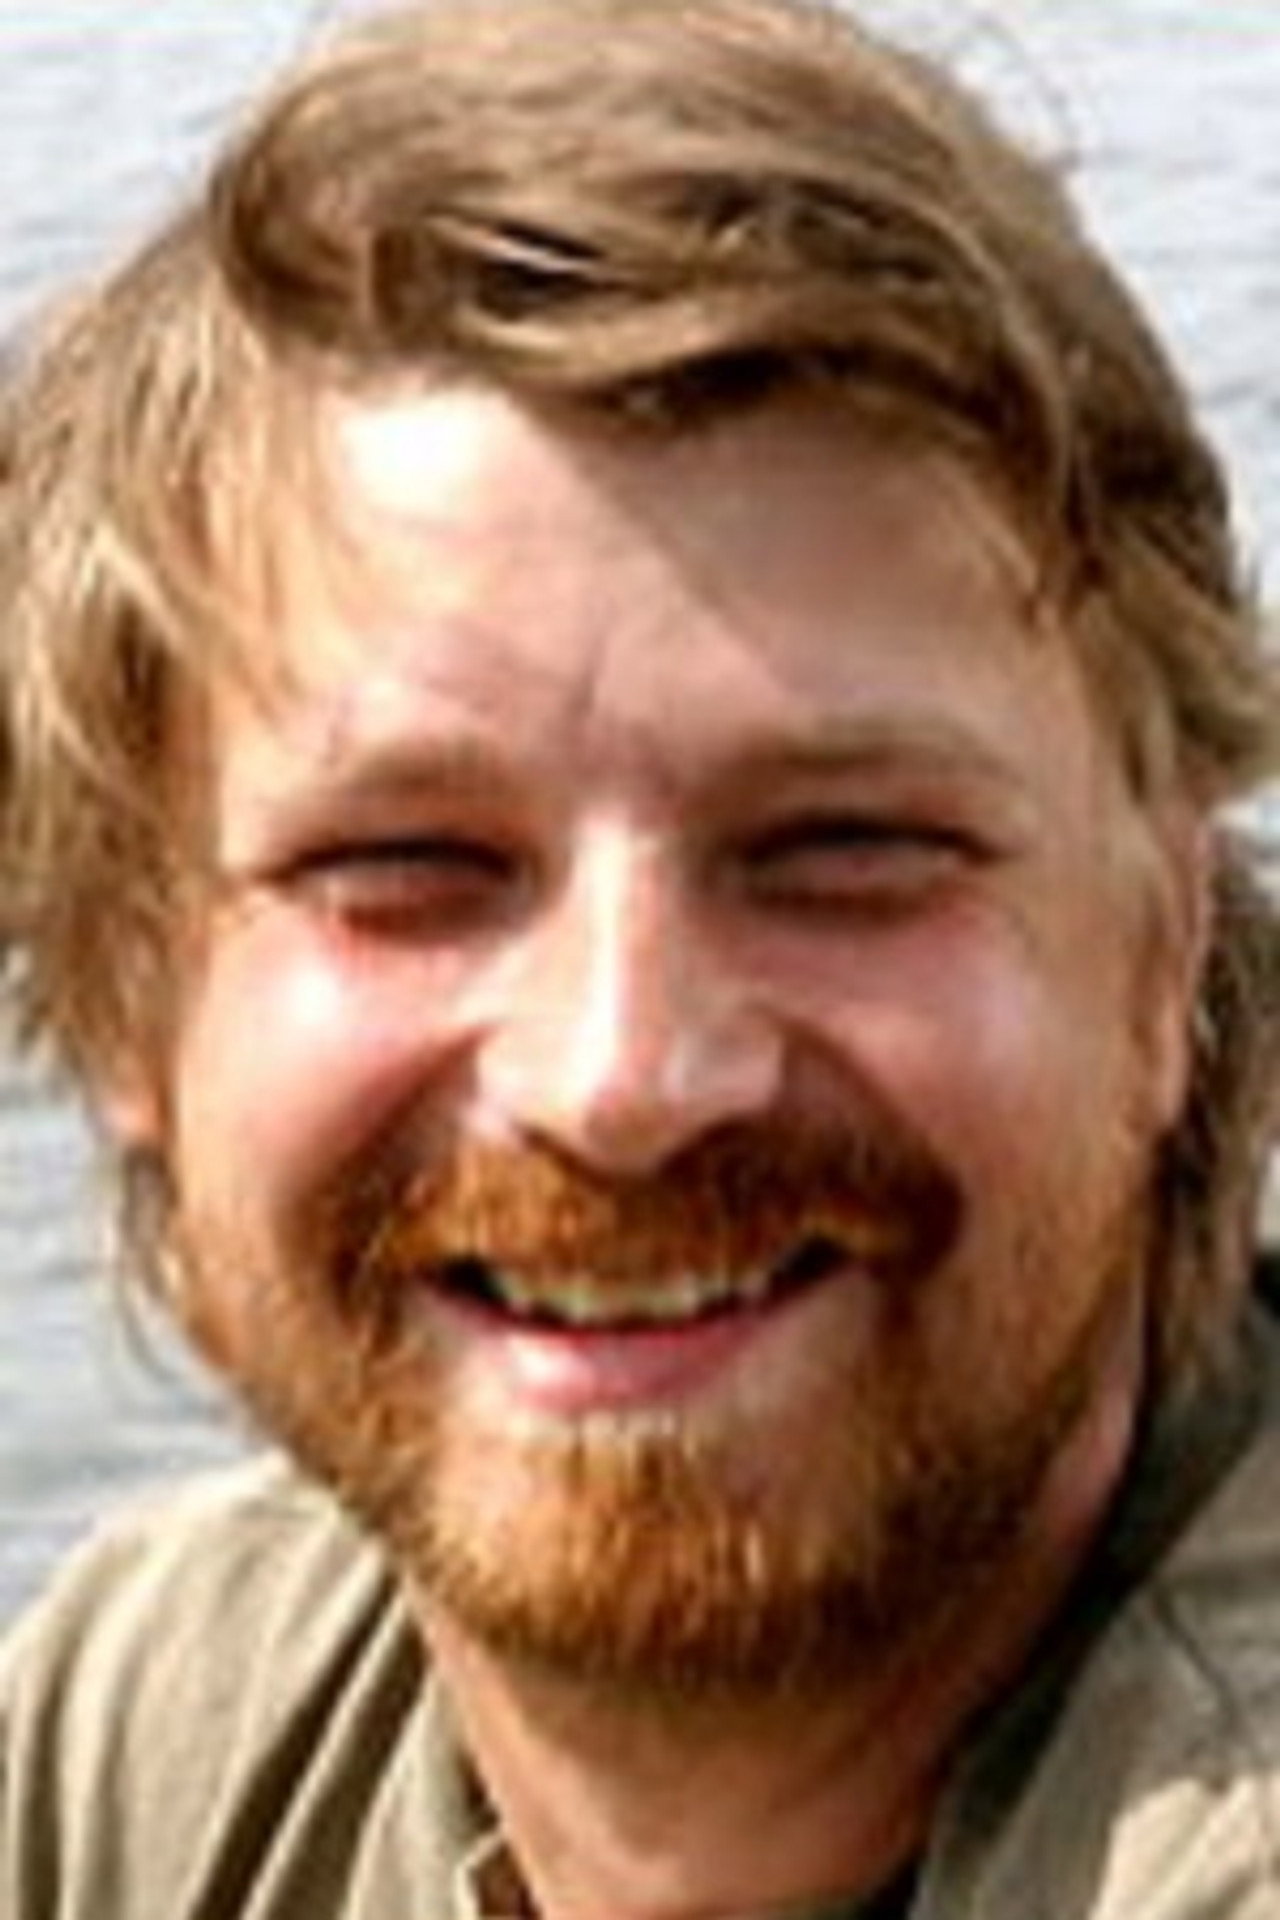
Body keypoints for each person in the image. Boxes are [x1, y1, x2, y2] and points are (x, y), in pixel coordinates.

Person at [2, 0, 1279, 1913]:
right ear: (126, 993)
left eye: (846, 851)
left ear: (1162, 957)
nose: (622, 1075)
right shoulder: (152, 1728)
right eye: (405, 868)